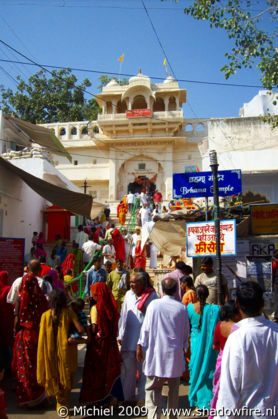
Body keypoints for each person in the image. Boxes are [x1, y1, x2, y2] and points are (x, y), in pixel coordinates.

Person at [215, 282, 278, 418]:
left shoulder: (238, 338)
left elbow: (229, 389)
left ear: (237, 304)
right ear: (262, 303)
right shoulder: (275, 333)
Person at [137, 277, 190, 419]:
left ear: (162, 290)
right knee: (173, 392)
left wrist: (140, 345)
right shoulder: (181, 308)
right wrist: (184, 348)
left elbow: (145, 330)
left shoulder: (154, 305)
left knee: (153, 389)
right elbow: (186, 334)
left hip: (156, 355)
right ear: (175, 290)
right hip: (174, 356)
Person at [37, 289, 85, 414]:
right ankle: (62, 404)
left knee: (54, 374)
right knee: (66, 377)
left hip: (49, 352)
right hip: (66, 352)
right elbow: (80, 329)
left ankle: (58, 400)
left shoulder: (45, 316)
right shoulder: (69, 313)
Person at [13, 260, 49, 407]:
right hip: (36, 333)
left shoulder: (21, 291)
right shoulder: (40, 295)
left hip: (24, 334)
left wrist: (16, 328)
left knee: (24, 366)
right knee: (34, 365)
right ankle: (38, 396)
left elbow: (15, 310)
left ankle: (27, 398)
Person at [80, 282, 122, 405]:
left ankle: (97, 399)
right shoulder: (113, 308)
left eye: (93, 293)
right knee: (112, 370)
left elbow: (94, 328)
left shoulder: (96, 308)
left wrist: (86, 330)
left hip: (99, 345)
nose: (92, 296)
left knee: (96, 371)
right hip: (111, 344)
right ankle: (113, 399)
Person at [119, 271, 157, 404]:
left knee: (143, 371)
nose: (131, 285)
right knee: (127, 370)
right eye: (131, 282)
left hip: (144, 340)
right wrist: (120, 333)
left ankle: (141, 397)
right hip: (128, 338)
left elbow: (154, 318)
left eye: (134, 283)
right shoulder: (128, 295)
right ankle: (126, 396)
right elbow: (124, 315)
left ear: (142, 284)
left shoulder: (151, 296)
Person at [187, 285, 220, 410]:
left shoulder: (189, 308)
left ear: (195, 294)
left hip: (195, 342)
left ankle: (196, 400)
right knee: (208, 369)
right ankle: (208, 401)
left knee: (195, 368)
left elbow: (187, 326)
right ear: (207, 295)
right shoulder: (214, 309)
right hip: (209, 343)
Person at [209, 301, 239, 418]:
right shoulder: (238, 328)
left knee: (219, 389)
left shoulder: (219, 325)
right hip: (233, 360)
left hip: (221, 360)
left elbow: (214, 346)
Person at [0, 271, 13, 373]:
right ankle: (8, 367)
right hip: (8, 320)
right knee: (7, 344)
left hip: (2, 320)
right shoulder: (8, 289)